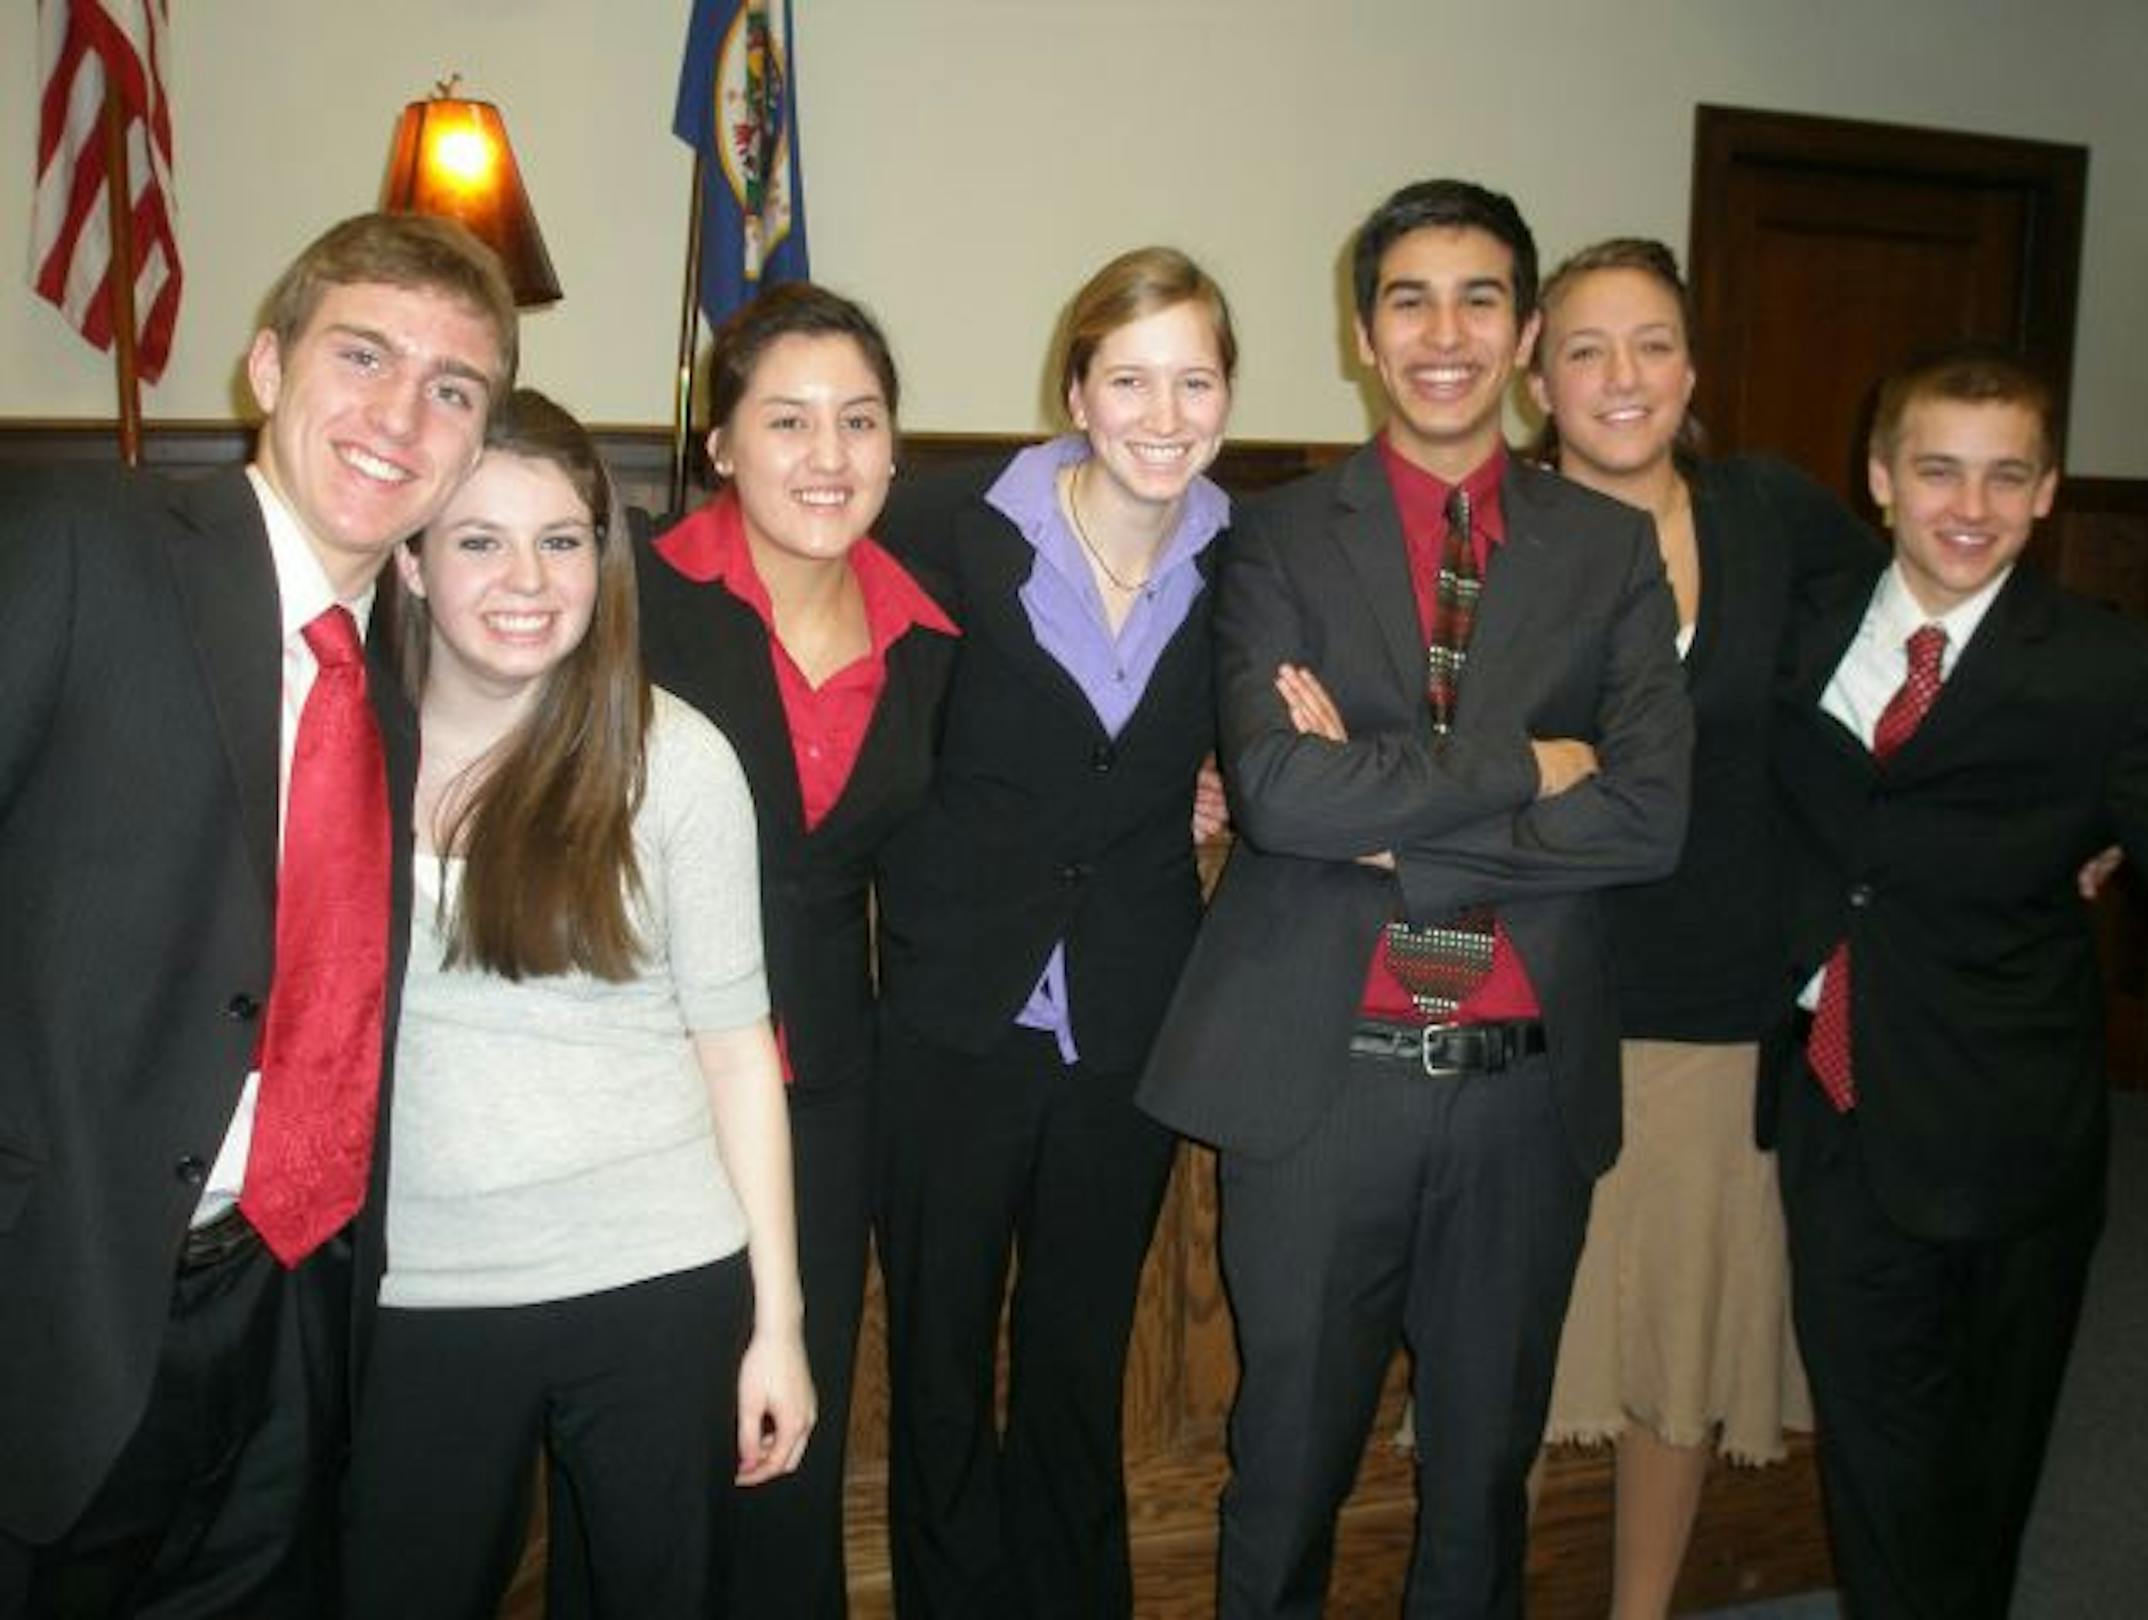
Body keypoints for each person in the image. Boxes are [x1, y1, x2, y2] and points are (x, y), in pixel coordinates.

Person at [1138, 179, 1692, 1617]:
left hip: (1524, 1090)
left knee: (1481, 1473)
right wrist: (1530, 767)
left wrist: (1401, 818)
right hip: (1324, 1083)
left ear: (1521, 340)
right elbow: (1280, 796)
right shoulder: (1268, 537)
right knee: (1291, 1464)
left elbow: (1647, 818)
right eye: (1409, 300)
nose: (1444, 332)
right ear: (1364, 334)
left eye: (1480, 299)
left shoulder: (1606, 550)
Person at [0, 212, 512, 1618]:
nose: (402, 414)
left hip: (298, 1308)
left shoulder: (399, 684)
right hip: (62, 1298)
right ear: (267, 366)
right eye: (364, 355)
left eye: (452, 389)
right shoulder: (80, 546)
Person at [342, 390, 812, 1617]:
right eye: (479, 540)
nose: (528, 580)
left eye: (562, 541)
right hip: (412, 1296)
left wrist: (779, 1323)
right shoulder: (339, 755)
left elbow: (736, 1057)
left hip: (657, 1283)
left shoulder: (679, 762)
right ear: (410, 558)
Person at [1765, 345, 2148, 1619]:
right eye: (1939, 471)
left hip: (2010, 1138)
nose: (1971, 508)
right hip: (1838, 1106)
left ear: (2049, 491)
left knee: (1981, 1483)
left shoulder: (2110, 670)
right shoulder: (1802, 628)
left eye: (2008, 476)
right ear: (1880, 478)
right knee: (1875, 1466)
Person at [873, 245, 1237, 1618]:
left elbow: (1258, 740)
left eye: (1192, 379)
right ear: (1077, 389)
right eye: (1130, 378)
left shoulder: (1245, 560)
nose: (1162, 412)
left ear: (1224, 393)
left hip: (1125, 1023)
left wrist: (1233, 792)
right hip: (955, 1015)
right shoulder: (945, 526)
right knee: (942, 1369)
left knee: (1080, 1369)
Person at [1523, 238, 1877, 1617]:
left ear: (1692, 363)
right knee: (1513, 1348)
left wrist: (2050, 814)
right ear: (1538, 373)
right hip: (1524, 1000)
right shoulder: (1484, 533)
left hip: (1717, 1005)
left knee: (1676, 1342)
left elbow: (1935, 648)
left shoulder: (1771, 516)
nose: (1624, 377)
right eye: (1589, 348)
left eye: (1653, 342)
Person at [637, 283, 958, 1618]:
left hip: (824, 1079)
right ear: (721, 443)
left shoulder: (934, 635)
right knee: (651, 1434)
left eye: (859, 422)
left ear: (893, 450)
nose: (828, 456)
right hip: (642, 1072)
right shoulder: (627, 595)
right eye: (788, 420)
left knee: (788, 1429)